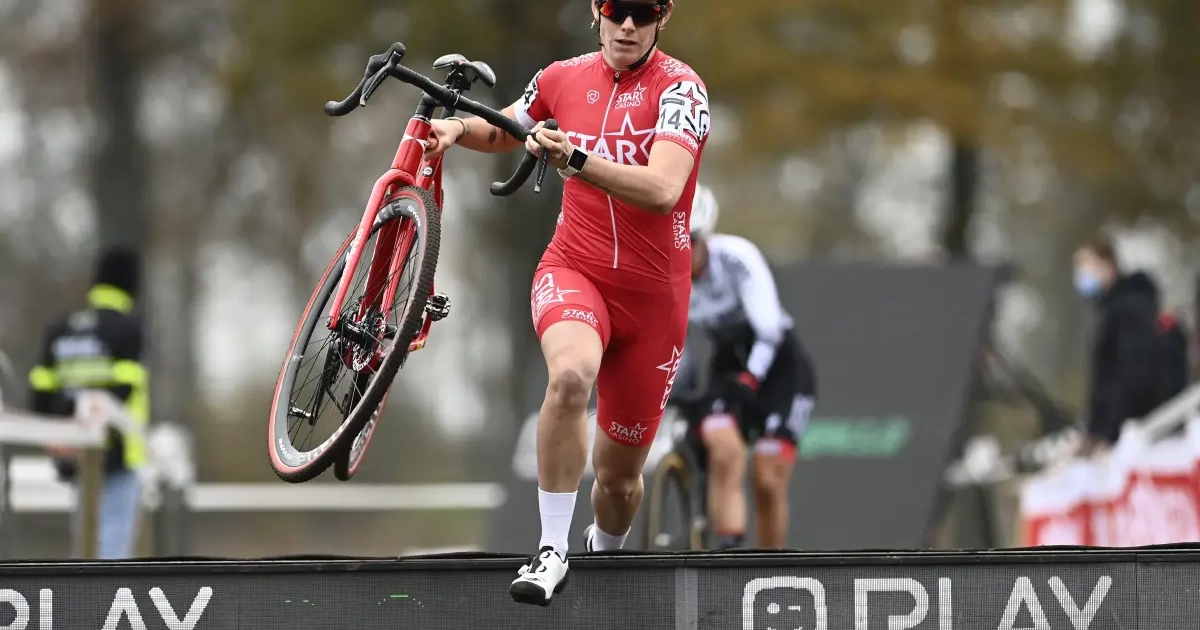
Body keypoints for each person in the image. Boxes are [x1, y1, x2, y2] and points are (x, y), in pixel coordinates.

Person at [423, 0, 709, 606]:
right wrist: (456, 131)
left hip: (654, 302)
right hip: (575, 270)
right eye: (617, 9)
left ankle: (603, 551)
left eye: (643, 13)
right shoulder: (562, 76)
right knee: (570, 378)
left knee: (619, 481)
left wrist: (575, 159)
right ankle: (551, 549)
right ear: (597, 12)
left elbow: (663, 190)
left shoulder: (681, 89)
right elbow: (506, 126)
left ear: (663, 19)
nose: (627, 25)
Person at [675, 184, 817, 550]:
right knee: (723, 448)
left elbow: (768, 331)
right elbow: (674, 341)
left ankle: (770, 568)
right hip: (729, 362)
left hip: (779, 367)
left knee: (767, 481)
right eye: (674, 243)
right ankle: (729, 554)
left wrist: (752, 377)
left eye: (691, 241)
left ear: (705, 236)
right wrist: (678, 390)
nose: (683, 252)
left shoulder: (737, 257)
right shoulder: (667, 273)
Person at [28, 246, 149, 559]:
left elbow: (40, 393)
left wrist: (58, 437)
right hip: (120, 454)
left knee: (86, 546)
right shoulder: (128, 328)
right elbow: (125, 388)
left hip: (74, 453)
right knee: (111, 552)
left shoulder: (62, 329)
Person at [1072, 237, 1166, 451]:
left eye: (1086, 264)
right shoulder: (1108, 311)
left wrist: (1108, 432)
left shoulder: (1128, 309)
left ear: (1107, 265)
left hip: (1130, 434)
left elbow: (1129, 375)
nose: (1081, 274)